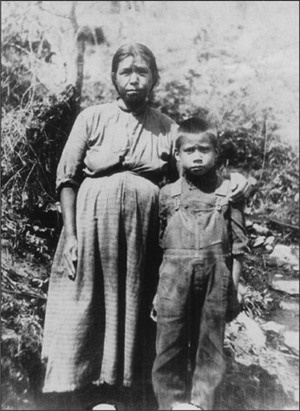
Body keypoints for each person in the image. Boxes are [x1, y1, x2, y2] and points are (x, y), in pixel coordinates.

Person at [41, 43, 250, 408]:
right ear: (113, 78)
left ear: (154, 78)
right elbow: (66, 179)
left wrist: (238, 184)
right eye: (126, 72)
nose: (134, 79)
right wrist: (71, 235)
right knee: (85, 301)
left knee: (135, 302)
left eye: (142, 72)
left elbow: (197, 177)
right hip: (91, 229)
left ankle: (123, 391)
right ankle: (84, 389)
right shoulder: (92, 117)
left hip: (143, 235)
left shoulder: (167, 127)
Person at [151, 118, 249, 410]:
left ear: (216, 153)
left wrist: (233, 287)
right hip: (172, 280)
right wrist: (158, 291)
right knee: (168, 346)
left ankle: (201, 404)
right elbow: (160, 246)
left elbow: (239, 246)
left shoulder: (229, 193)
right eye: (189, 150)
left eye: (204, 149)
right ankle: (170, 402)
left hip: (215, 279)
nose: (197, 156)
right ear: (177, 154)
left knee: (210, 348)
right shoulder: (167, 193)